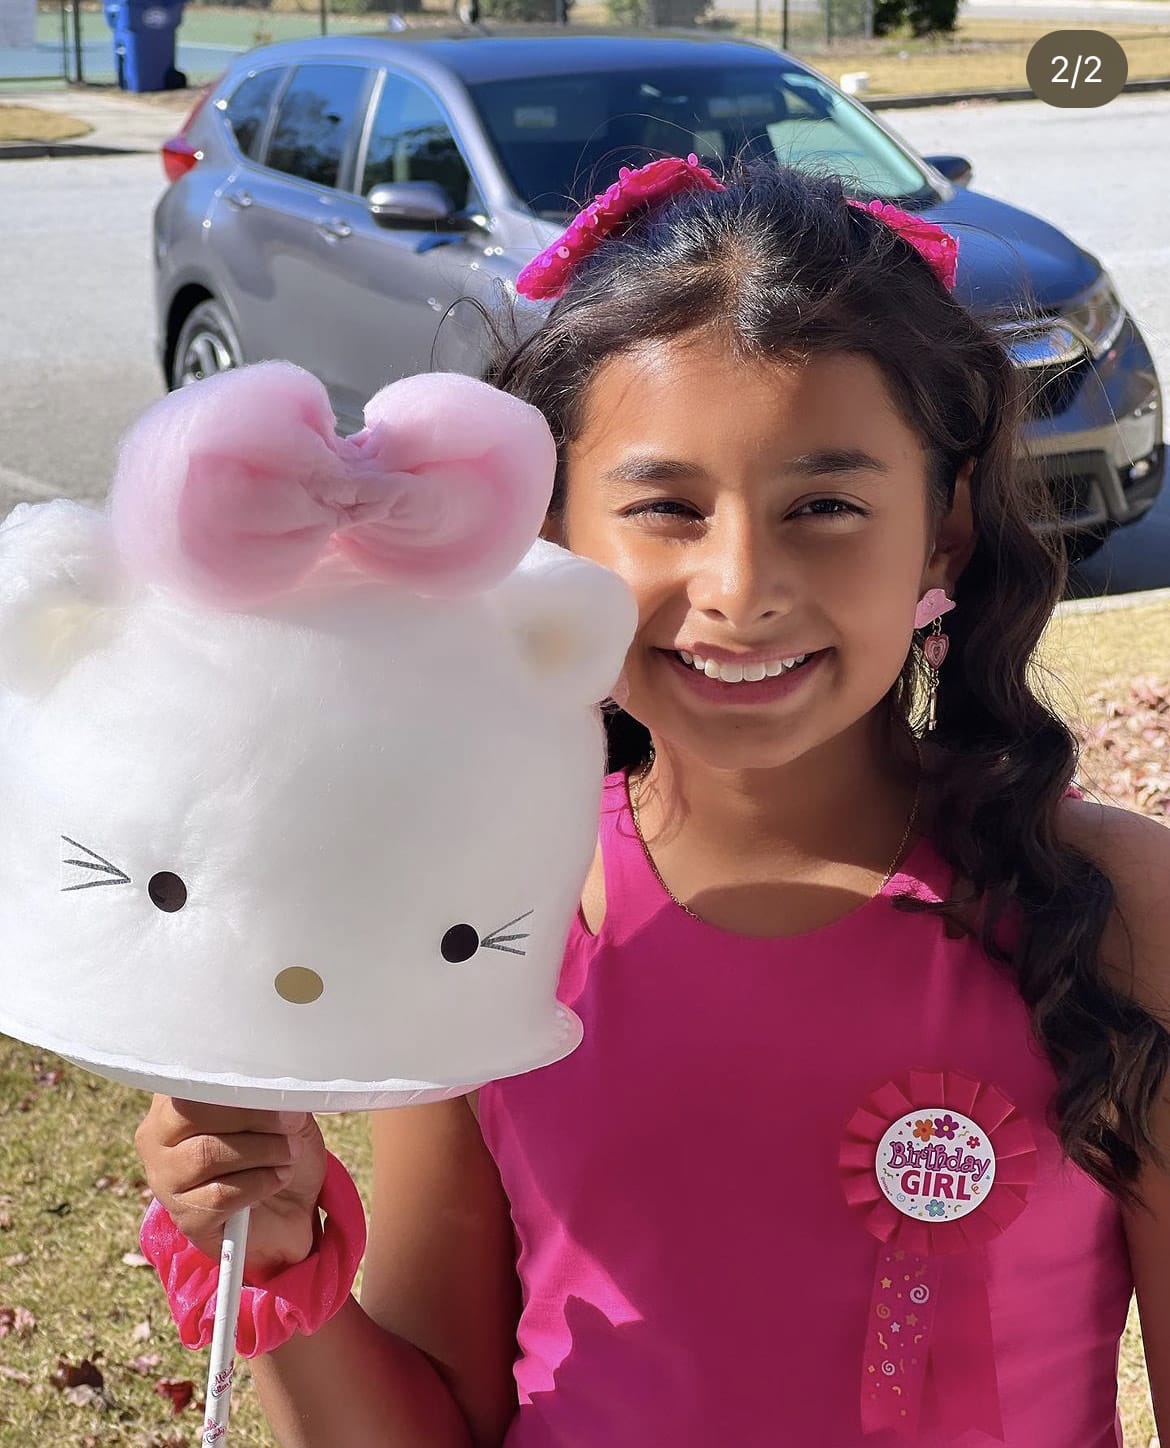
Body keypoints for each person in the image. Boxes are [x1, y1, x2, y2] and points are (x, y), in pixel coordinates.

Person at [133, 159, 1170, 1448]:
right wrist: (274, 1251)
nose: (741, 585)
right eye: (666, 508)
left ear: (943, 529)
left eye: (826, 506)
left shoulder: (1119, 911)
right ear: (558, 534)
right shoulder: (483, 921)